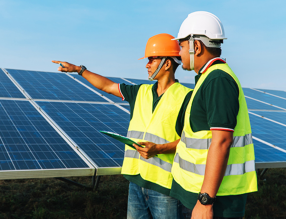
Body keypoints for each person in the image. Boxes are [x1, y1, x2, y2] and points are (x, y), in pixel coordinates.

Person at [52, 33, 192, 219]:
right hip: (135, 182)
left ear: (167, 63)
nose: (147, 65)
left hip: (165, 187)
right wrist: (79, 69)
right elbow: (107, 86)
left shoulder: (187, 97)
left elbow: (192, 140)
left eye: (151, 59)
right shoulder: (139, 92)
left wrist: (159, 149)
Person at [168, 11, 258, 219]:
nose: (179, 54)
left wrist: (205, 201)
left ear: (196, 46)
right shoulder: (208, 77)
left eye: (181, 46)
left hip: (215, 201)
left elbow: (222, 141)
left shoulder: (217, 80)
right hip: (200, 194)